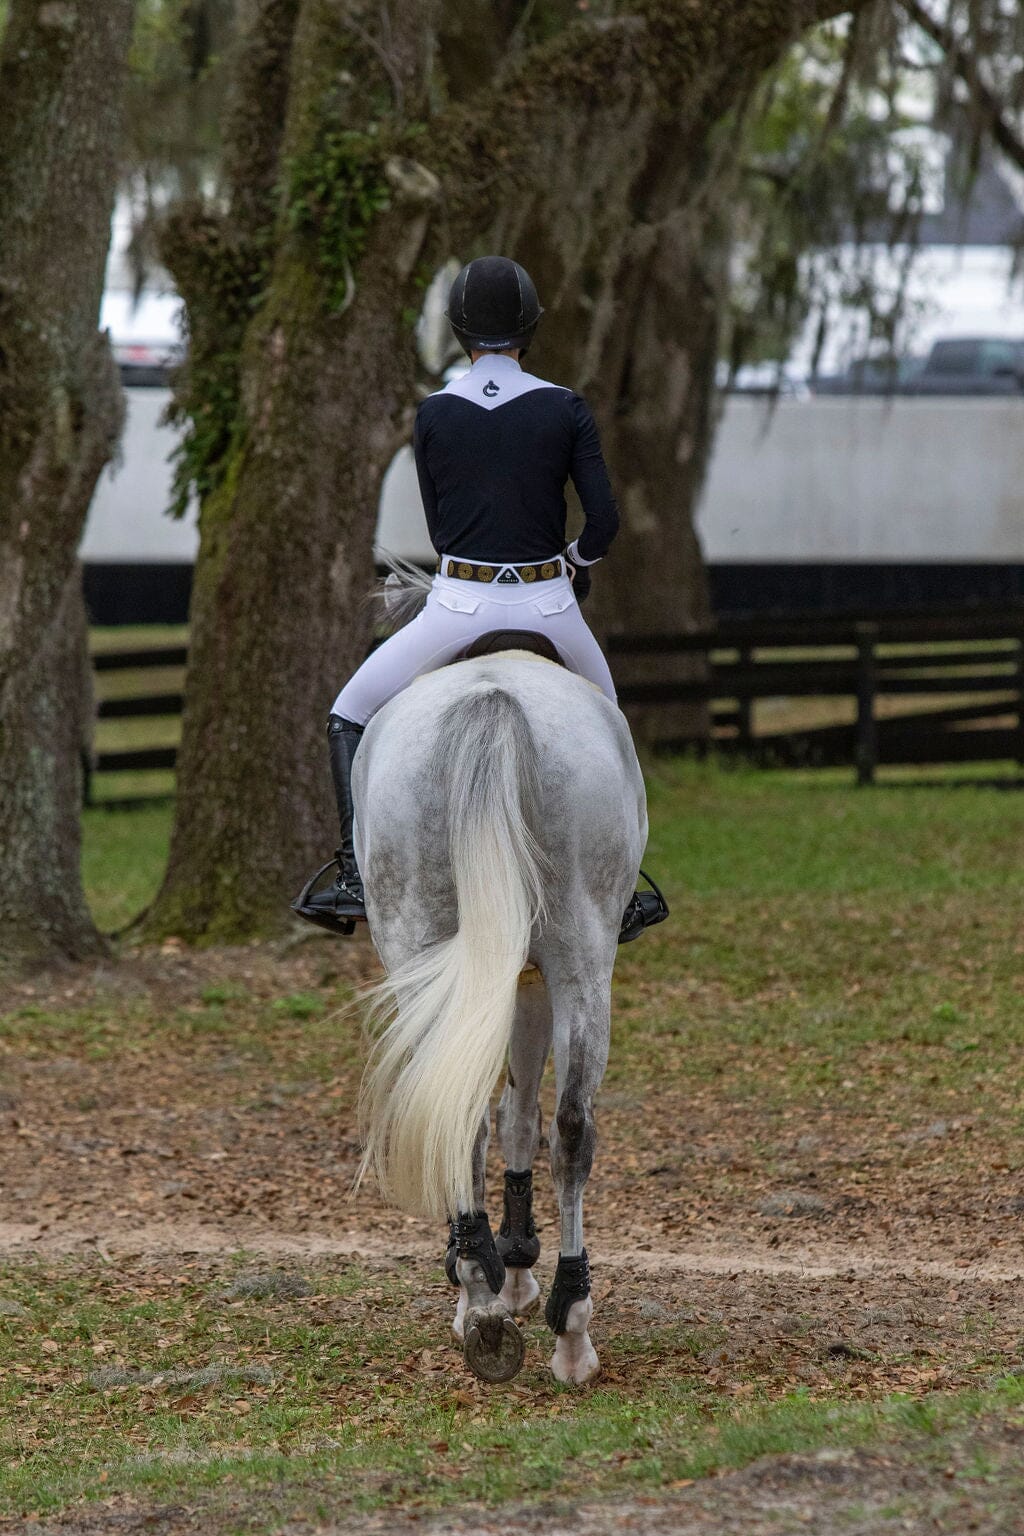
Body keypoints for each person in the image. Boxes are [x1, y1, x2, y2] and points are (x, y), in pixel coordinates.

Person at [293, 255, 668, 943]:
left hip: (456, 605)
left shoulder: (434, 413)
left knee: (348, 712)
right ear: (530, 328)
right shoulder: (565, 406)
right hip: (549, 603)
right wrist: (575, 563)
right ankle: (625, 890)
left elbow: (440, 530)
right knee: (608, 728)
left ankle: (353, 873)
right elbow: (604, 521)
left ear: (461, 332)